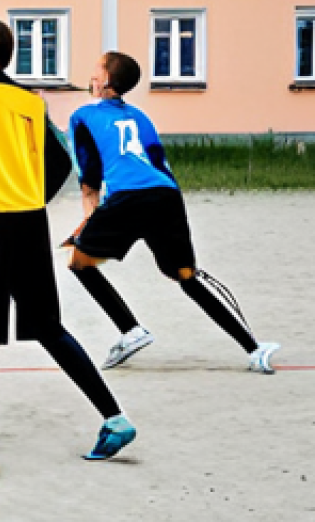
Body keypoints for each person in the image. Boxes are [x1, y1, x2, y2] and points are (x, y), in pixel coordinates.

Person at [0, 19, 135, 480]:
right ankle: (115, 419)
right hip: (29, 223)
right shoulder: (31, 101)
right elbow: (61, 161)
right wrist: (31, 196)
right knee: (49, 327)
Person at [65, 51, 279, 374]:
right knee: (186, 276)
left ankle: (130, 330)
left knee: (79, 264)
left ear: (106, 80)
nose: (91, 75)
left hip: (128, 198)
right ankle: (254, 348)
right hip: (167, 198)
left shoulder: (82, 117)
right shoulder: (141, 116)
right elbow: (156, 161)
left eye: (97, 69)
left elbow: (89, 180)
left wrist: (89, 221)